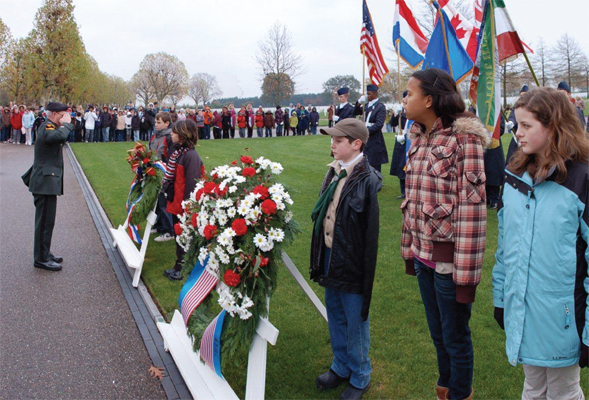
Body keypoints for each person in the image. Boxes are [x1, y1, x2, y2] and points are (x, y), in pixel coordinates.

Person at [492, 87, 589, 398]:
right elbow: (505, 245)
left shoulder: (581, 180)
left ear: (553, 126)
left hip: (564, 318)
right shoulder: (513, 175)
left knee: (563, 391)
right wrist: (501, 297)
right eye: (515, 124)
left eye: (526, 125)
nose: (517, 133)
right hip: (524, 310)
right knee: (533, 386)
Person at [401, 68, 488, 400]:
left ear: (429, 99)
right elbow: (413, 203)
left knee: (454, 335)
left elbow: (472, 213)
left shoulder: (463, 139)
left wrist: (465, 279)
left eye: (408, 93)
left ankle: (459, 393)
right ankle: (446, 388)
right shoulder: (417, 137)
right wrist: (411, 253)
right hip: (423, 258)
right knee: (438, 334)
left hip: (449, 263)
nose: (404, 99)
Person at [310, 118, 382, 400]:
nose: (332, 144)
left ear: (356, 144)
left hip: (352, 262)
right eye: (332, 140)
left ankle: (360, 374)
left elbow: (370, 239)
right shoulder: (334, 171)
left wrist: (365, 277)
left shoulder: (367, 180)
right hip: (330, 255)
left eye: (338, 141)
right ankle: (341, 365)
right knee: (336, 314)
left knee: (356, 319)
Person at [22, 102, 73, 271]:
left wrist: (64, 122)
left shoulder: (51, 126)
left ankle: (45, 252)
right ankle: (41, 258)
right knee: (43, 222)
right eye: (61, 115)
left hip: (48, 183)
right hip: (44, 183)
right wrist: (67, 124)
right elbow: (58, 137)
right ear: (53, 115)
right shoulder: (47, 128)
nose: (63, 118)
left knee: (48, 221)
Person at [163, 119, 204, 281]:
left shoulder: (191, 156)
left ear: (183, 135)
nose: (171, 134)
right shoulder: (179, 152)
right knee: (179, 236)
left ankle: (183, 267)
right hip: (176, 201)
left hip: (184, 205)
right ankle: (178, 265)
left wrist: (188, 208)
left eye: (174, 131)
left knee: (184, 237)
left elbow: (192, 184)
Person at [149, 112, 175, 242]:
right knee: (157, 202)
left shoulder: (169, 138)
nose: (156, 125)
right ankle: (159, 226)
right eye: (155, 122)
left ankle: (169, 231)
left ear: (167, 123)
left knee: (164, 202)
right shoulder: (154, 136)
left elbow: (171, 157)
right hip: (154, 172)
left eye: (159, 122)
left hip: (164, 173)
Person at [354, 85, 389, 172]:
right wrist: (358, 103)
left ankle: (375, 184)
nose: (367, 96)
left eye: (369, 94)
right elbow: (355, 112)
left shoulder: (380, 107)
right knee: (364, 163)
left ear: (374, 94)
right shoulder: (366, 106)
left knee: (374, 165)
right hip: (365, 139)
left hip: (374, 139)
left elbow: (379, 124)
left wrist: (366, 131)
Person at [389, 92, 410, 199]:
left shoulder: (412, 111)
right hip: (400, 137)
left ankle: (408, 190)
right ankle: (403, 191)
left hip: (408, 138)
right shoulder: (401, 110)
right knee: (399, 165)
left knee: (405, 164)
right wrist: (396, 114)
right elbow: (393, 124)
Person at [506, 84, 529, 164]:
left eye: (525, 95)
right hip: (517, 139)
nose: (522, 98)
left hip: (529, 138)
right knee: (511, 159)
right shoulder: (517, 106)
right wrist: (511, 122)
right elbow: (513, 115)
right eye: (521, 96)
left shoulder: (534, 107)